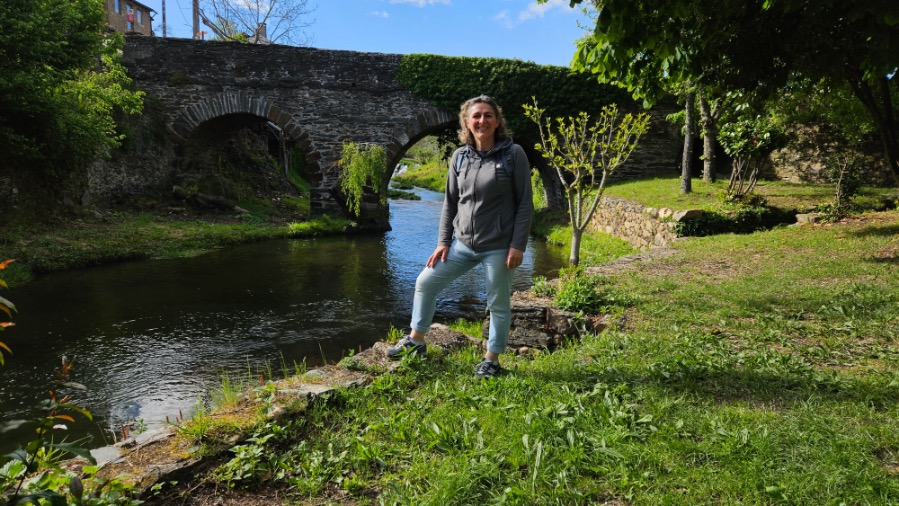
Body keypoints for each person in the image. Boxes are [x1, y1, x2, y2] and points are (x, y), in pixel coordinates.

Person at [387, 95, 534, 379]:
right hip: (463, 245)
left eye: (488, 115)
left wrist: (518, 245)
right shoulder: (460, 157)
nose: (482, 121)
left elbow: (525, 204)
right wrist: (443, 242)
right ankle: (416, 341)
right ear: (467, 122)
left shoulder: (513, 154)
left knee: (497, 303)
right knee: (425, 282)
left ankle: (492, 359)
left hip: (498, 246)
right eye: (476, 116)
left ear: (497, 121)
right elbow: (450, 202)